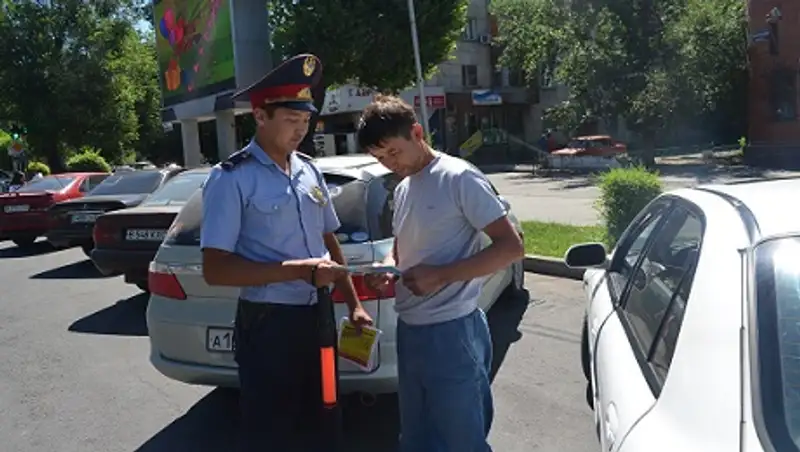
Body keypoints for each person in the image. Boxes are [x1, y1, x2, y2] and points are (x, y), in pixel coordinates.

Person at [199, 53, 373, 451]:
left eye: (306, 121)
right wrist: (297, 271)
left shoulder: (309, 170)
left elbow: (329, 239)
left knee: (326, 417)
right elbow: (217, 269)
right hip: (269, 325)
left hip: (319, 315)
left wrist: (354, 303)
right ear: (260, 116)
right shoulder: (231, 178)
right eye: (291, 121)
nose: (301, 130)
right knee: (271, 430)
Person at [357, 95, 525, 452]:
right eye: (380, 159)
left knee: (460, 440)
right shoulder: (403, 188)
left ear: (417, 132)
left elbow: (511, 247)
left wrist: (441, 275)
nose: (390, 164)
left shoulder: (457, 177)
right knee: (417, 438)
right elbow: (400, 249)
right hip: (411, 329)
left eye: (394, 152)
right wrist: (388, 267)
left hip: (451, 330)